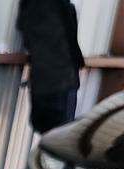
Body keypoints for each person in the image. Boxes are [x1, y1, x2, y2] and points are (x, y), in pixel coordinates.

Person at [18, 0, 86, 132]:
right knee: (61, 133)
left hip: (44, 79)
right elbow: (70, 42)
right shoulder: (62, 7)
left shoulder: (29, 7)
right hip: (62, 79)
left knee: (48, 129)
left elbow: (26, 37)